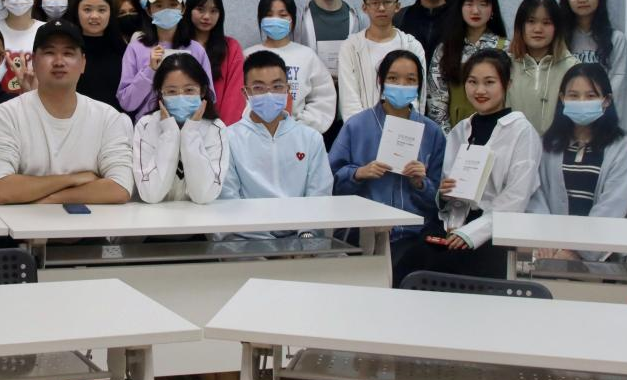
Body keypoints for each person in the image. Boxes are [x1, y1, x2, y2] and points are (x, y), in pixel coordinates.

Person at [329, 50, 444, 285]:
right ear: (380, 81)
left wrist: (421, 184)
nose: (401, 85)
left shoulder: (431, 132)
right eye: (393, 78)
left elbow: (441, 200)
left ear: (419, 85)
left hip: (413, 237)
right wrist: (358, 174)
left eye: (410, 80)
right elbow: (330, 182)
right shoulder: (356, 126)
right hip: (363, 234)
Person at [0, 20, 133, 205]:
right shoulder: (7, 114)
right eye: (49, 52)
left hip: (89, 223)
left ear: (83, 63)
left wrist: (51, 199)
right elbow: (1, 189)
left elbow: (120, 188)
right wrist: (74, 179)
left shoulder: (107, 117)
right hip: (19, 224)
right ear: (34, 61)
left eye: (68, 53)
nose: (58, 62)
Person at [425, 49, 542, 280]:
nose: (480, 90)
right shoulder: (461, 130)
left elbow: (515, 199)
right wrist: (444, 196)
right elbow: (449, 186)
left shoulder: (522, 132)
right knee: (413, 263)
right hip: (453, 227)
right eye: (472, 82)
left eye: (489, 82)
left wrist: (471, 233)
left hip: (495, 235)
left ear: (507, 84)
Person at [219, 50, 333, 237]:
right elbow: (228, 199)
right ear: (245, 92)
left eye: (277, 86)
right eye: (259, 87)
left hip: (303, 239)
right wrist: (265, 244)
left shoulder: (311, 138)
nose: (269, 94)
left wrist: (306, 237)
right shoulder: (228, 138)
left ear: (288, 89)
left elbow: (319, 195)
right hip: (247, 240)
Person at [530, 64, 627, 260]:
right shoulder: (546, 144)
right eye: (573, 96)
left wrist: (576, 250)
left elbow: (614, 204)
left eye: (590, 96)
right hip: (549, 250)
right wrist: (546, 240)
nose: (581, 102)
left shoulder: (623, 146)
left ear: (606, 100)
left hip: (601, 253)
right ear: (562, 98)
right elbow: (536, 195)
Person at [133, 53, 228, 203]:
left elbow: (204, 196)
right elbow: (150, 195)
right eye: (172, 91)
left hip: (199, 216)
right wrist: (170, 132)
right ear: (160, 94)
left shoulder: (215, 128)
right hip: (155, 215)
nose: (181, 97)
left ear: (202, 91)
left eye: (189, 90)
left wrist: (190, 132)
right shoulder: (145, 126)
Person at [118, 0, 216, 118]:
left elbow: (209, 96)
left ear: (183, 8)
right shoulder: (135, 49)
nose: (166, 10)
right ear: (149, 10)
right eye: (159, 5)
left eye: (173, 5)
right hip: (149, 126)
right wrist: (149, 71)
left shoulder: (196, 50)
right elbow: (127, 102)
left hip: (193, 124)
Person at [336, 0, 426, 123]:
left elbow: (419, 96)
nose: (381, 8)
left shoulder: (412, 45)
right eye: (374, 2)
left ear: (397, 6)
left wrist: (405, 129)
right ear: (364, 7)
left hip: (404, 129)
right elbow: (349, 99)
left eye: (387, 1)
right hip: (363, 129)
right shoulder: (350, 47)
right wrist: (363, 130)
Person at [243, 0, 336, 134]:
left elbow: (323, 98)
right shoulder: (247, 56)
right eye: (269, 15)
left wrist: (300, 127)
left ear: (292, 19)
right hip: (254, 133)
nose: (275, 20)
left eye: (282, 15)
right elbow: (240, 99)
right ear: (261, 19)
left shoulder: (307, 55)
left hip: (299, 133)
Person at [426, 0, 509, 132]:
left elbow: (510, 96)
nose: (475, 11)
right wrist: (449, 138)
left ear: (492, 9)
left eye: (483, 4)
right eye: (469, 4)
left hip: (497, 133)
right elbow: (436, 100)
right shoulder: (445, 49)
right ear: (460, 8)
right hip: (455, 133)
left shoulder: (505, 48)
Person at [559, 0, 627, 132]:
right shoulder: (559, 39)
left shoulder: (616, 39)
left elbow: (619, 89)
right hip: (565, 123)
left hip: (604, 125)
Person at [506, 0, 579, 135]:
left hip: (558, 145)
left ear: (557, 28)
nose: (538, 29)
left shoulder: (573, 68)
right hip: (513, 144)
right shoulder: (505, 65)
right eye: (531, 21)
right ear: (520, 26)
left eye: (546, 23)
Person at [186, 0, 245, 124]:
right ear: (188, 10)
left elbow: (235, 96)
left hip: (219, 127)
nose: (207, 16)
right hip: (183, 126)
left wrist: (222, 130)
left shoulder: (231, 47)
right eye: (200, 9)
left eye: (213, 11)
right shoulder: (178, 46)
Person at [74, 0, 126, 112]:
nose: (94, 16)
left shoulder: (123, 50)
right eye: (87, 10)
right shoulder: (68, 49)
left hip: (115, 120)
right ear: (76, 11)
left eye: (101, 10)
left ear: (110, 13)